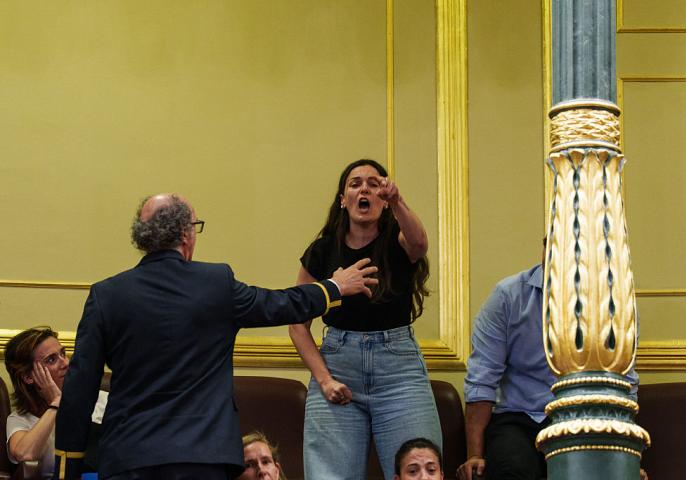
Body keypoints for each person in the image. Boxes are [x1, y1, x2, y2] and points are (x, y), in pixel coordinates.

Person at [53, 193, 378, 480]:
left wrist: (67, 466)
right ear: (186, 234)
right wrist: (334, 287)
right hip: (203, 457)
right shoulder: (216, 282)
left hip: (129, 456)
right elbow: (280, 305)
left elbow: (80, 388)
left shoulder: (106, 295)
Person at [289, 159, 441, 479]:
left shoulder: (398, 240)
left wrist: (398, 201)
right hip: (337, 367)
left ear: (382, 200)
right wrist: (325, 379)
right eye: (355, 184)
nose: (364, 189)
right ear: (343, 200)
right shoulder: (321, 251)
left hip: (399, 372)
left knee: (420, 469)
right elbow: (297, 325)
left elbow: (420, 244)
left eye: (374, 184)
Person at [457, 253, 641, 480]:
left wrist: (628, 458)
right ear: (545, 252)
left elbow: (625, 384)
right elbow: (481, 380)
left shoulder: (614, 302)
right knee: (510, 469)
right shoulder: (508, 297)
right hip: (520, 417)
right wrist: (474, 455)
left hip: (584, 417)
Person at [4, 327, 107, 479]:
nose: (65, 363)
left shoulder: (100, 399)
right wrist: (57, 403)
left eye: (63, 354)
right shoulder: (21, 420)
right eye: (51, 359)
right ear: (28, 377)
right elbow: (24, 453)